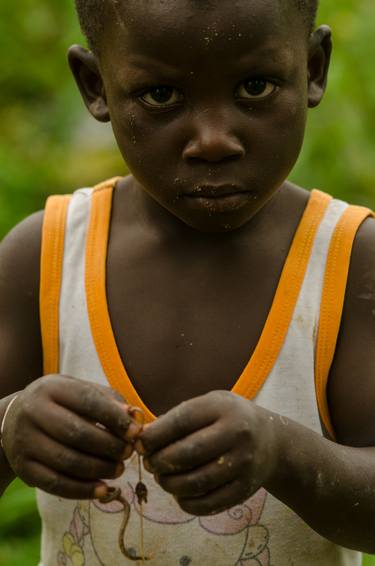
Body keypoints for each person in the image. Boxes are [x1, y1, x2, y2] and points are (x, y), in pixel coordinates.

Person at [0, 0, 375, 564]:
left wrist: (285, 454)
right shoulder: (45, 260)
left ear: (314, 67)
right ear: (95, 85)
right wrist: (8, 426)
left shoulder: (349, 265)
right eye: (160, 96)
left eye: (255, 86)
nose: (213, 140)